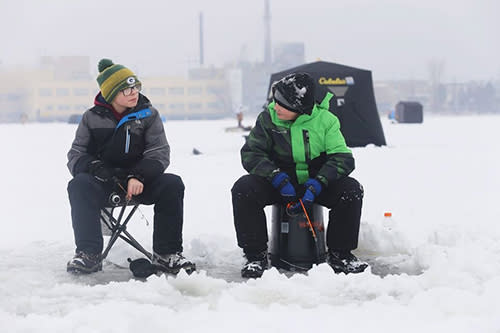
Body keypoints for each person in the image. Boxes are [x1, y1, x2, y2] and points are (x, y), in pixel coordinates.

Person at [231, 72, 367, 278]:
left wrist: (318, 183)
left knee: (351, 190)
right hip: (279, 184)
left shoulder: (326, 121)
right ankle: (255, 256)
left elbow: (343, 158)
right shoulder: (268, 119)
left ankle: (341, 254)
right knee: (244, 188)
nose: (276, 107)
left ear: (299, 107)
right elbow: (251, 154)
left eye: (282, 104)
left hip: (315, 184)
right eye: (275, 101)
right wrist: (276, 177)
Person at [66, 58, 195, 275]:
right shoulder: (90, 118)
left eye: (135, 87)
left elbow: (159, 152)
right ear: (111, 94)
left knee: (172, 183)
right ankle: (89, 254)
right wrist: (96, 168)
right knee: (78, 185)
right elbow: (76, 155)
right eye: (126, 90)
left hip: (140, 183)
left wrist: (139, 176)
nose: (133, 93)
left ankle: (167, 254)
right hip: (104, 182)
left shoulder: (149, 115)